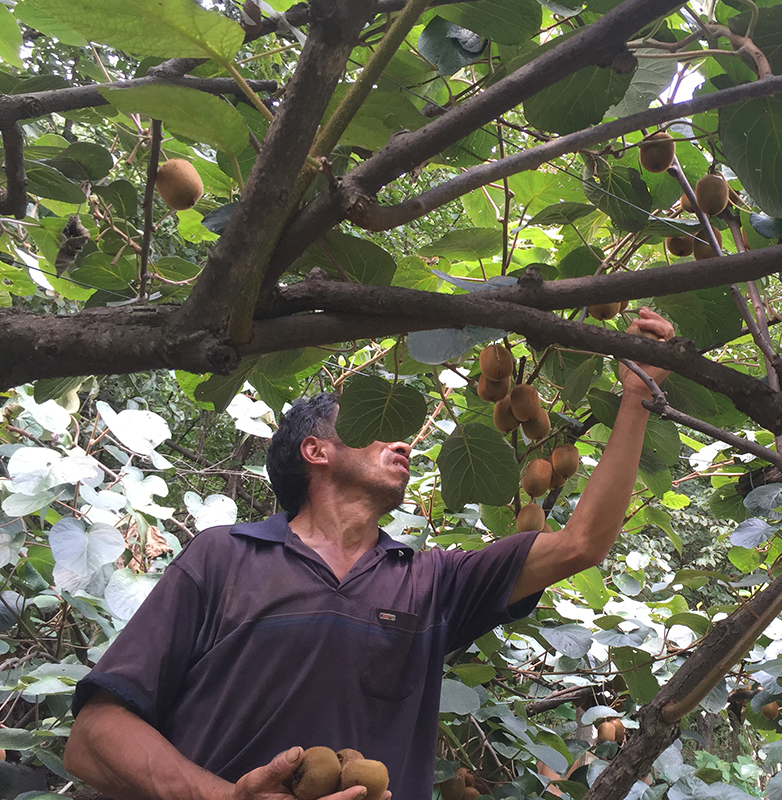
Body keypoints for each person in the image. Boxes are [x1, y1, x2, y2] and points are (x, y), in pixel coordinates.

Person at [62, 308, 674, 800]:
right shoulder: (223, 556)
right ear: (316, 451)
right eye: (371, 429)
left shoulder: (432, 581)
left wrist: (635, 396)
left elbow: (582, 543)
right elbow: (92, 737)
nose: (401, 442)